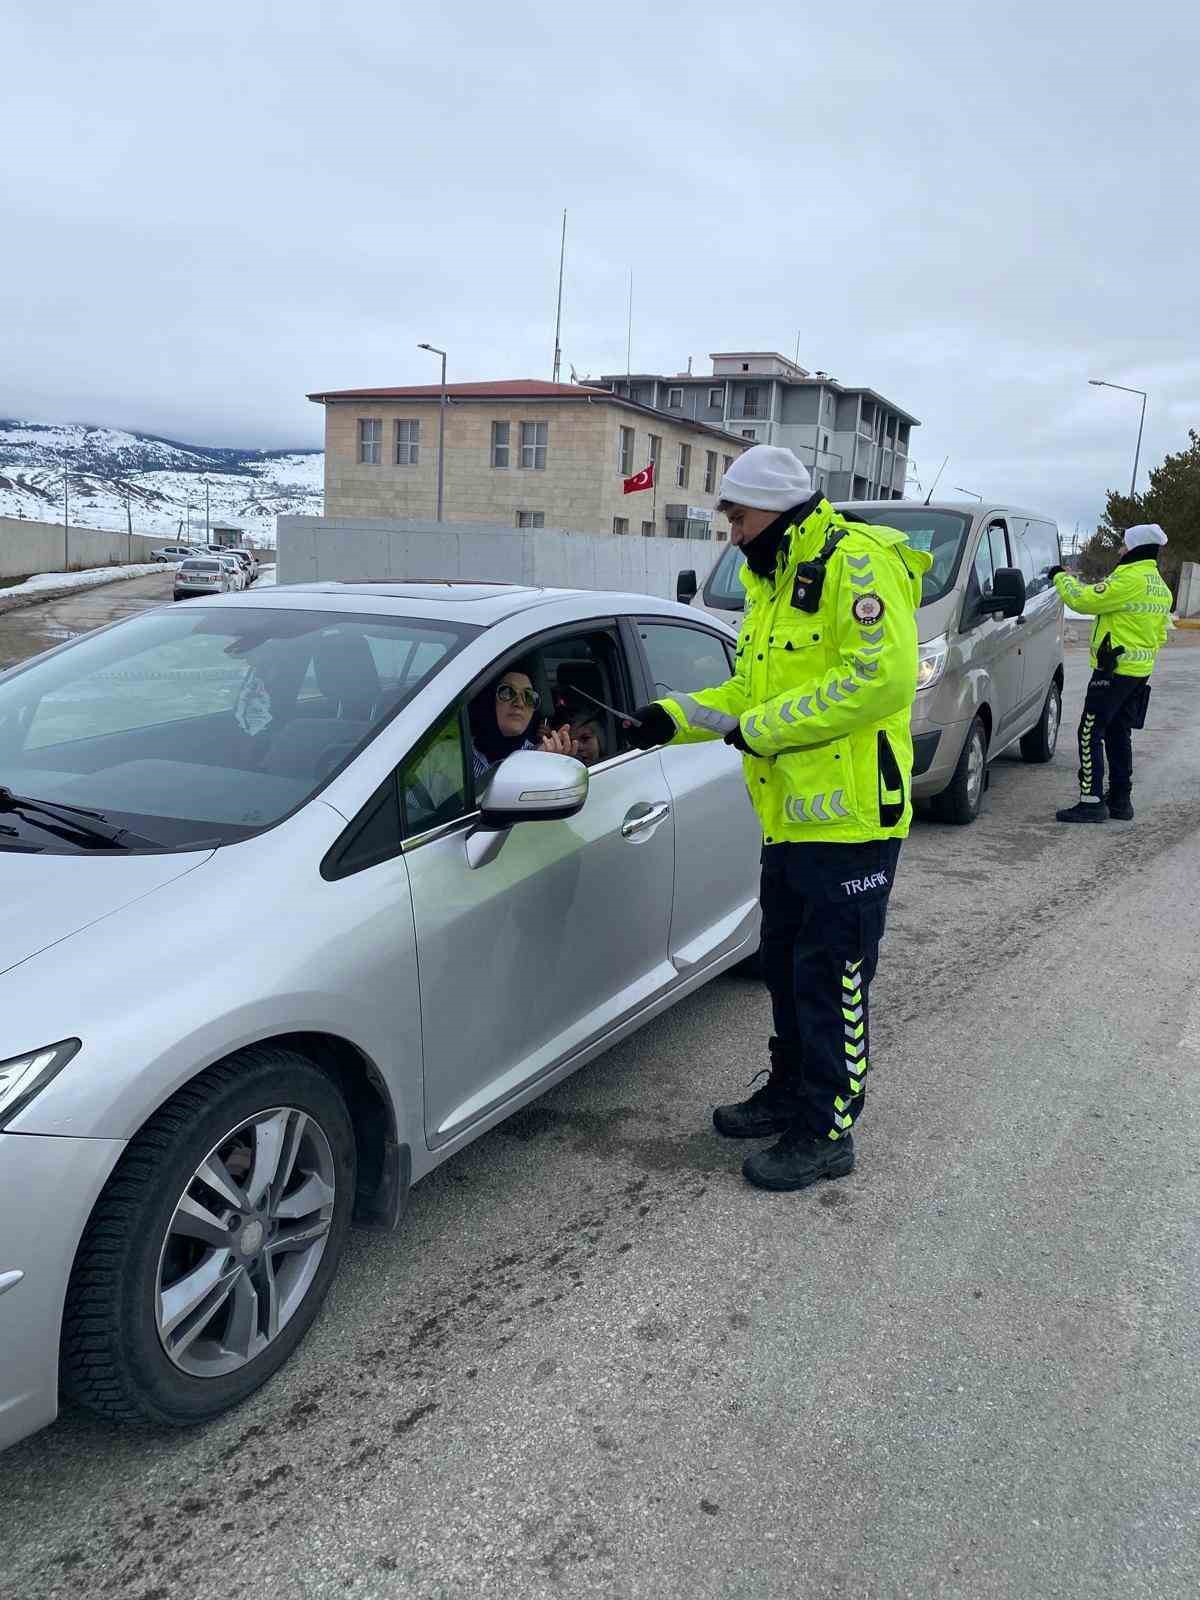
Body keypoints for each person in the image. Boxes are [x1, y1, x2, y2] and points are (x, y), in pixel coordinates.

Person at [623, 445, 930, 1193]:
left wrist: (761, 730)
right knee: (788, 967)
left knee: (833, 976)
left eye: (739, 519)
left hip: (853, 822)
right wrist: (672, 716)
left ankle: (828, 1129)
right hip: (791, 816)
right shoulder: (775, 580)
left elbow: (882, 680)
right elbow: (747, 694)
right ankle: (791, 1091)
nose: (732, 535)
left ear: (777, 510)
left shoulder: (856, 564)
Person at [1050, 524, 1173, 823]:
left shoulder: (1129, 579)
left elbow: (1084, 600)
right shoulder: (1159, 586)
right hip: (1139, 672)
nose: (1120, 549)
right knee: (1119, 731)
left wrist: (1059, 577)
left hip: (1113, 669)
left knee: (1090, 731)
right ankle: (1120, 800)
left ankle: (1091, 801)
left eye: (1124, 544)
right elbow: (1160, 634)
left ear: (1135, 547)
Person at [468, 665, 573, 786]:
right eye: (507, 692)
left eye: (529, 696)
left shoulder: (543, 757)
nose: (520, 703)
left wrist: (548, 771)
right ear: (489, 700)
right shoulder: (458, 754)